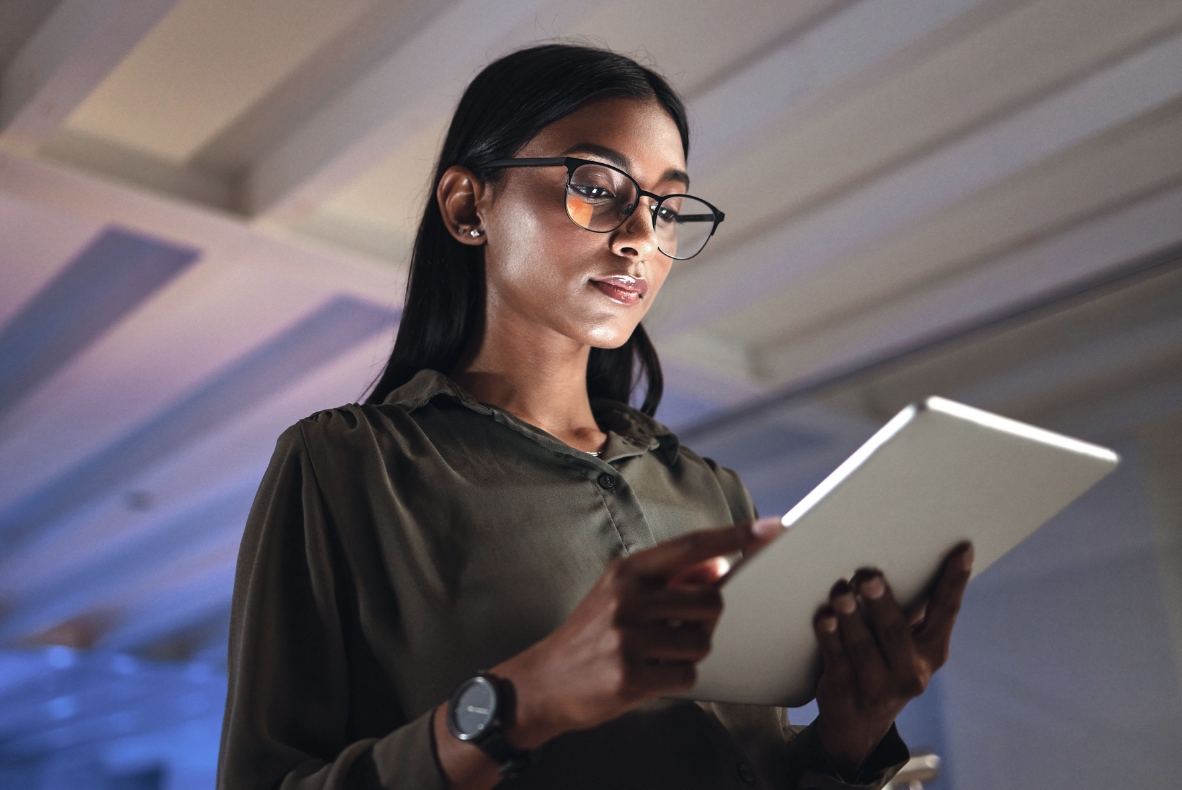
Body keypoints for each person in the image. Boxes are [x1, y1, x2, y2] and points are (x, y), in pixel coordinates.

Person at [217, 44, 972, 790]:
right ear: (468, 205)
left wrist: (848, 737)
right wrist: (524, 699)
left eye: (667, 207)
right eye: (598, 186)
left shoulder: (712, 494)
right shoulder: (349, 465)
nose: (642, 235)